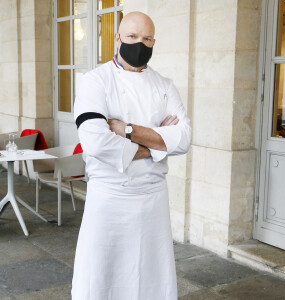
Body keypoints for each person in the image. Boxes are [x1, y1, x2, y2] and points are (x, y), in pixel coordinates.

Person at [71, 11, 191, 300]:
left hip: (153, 199)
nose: (140, 44)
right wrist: (157, 144)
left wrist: (126, 130)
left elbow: (184, 139)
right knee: (101, 276)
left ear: (154, 42)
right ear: (117, 38)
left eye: (147, 38)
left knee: (151, 278)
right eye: (132, 37)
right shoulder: (95, 81)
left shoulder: (164, 85)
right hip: (110, 198)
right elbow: (95, 142)